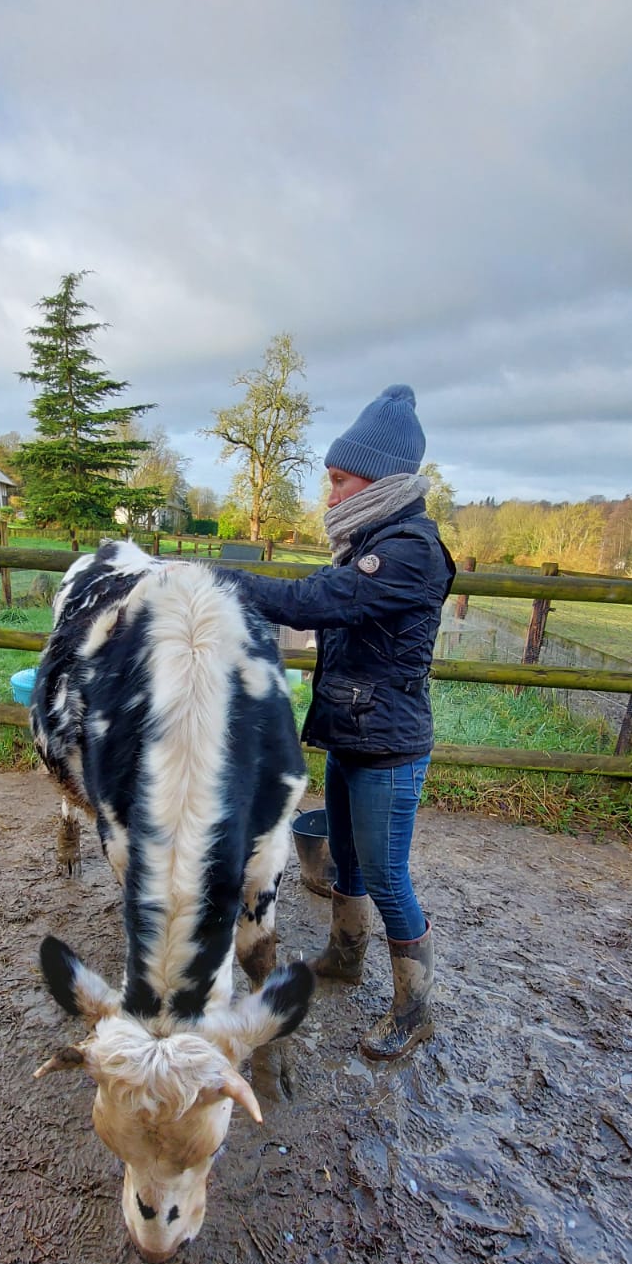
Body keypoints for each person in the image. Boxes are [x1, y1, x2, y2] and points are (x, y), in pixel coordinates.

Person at [229, 384, 455, 1062]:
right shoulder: (373, 540)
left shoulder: (409, 549)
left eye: (338, 481)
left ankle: (414, 1011)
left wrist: (216, 577)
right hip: (355, 733)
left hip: (388, 746)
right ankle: (346, 956)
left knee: (387, 877)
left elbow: (313, 601)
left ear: (378, 480)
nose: (329, 497)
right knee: (347, 860)